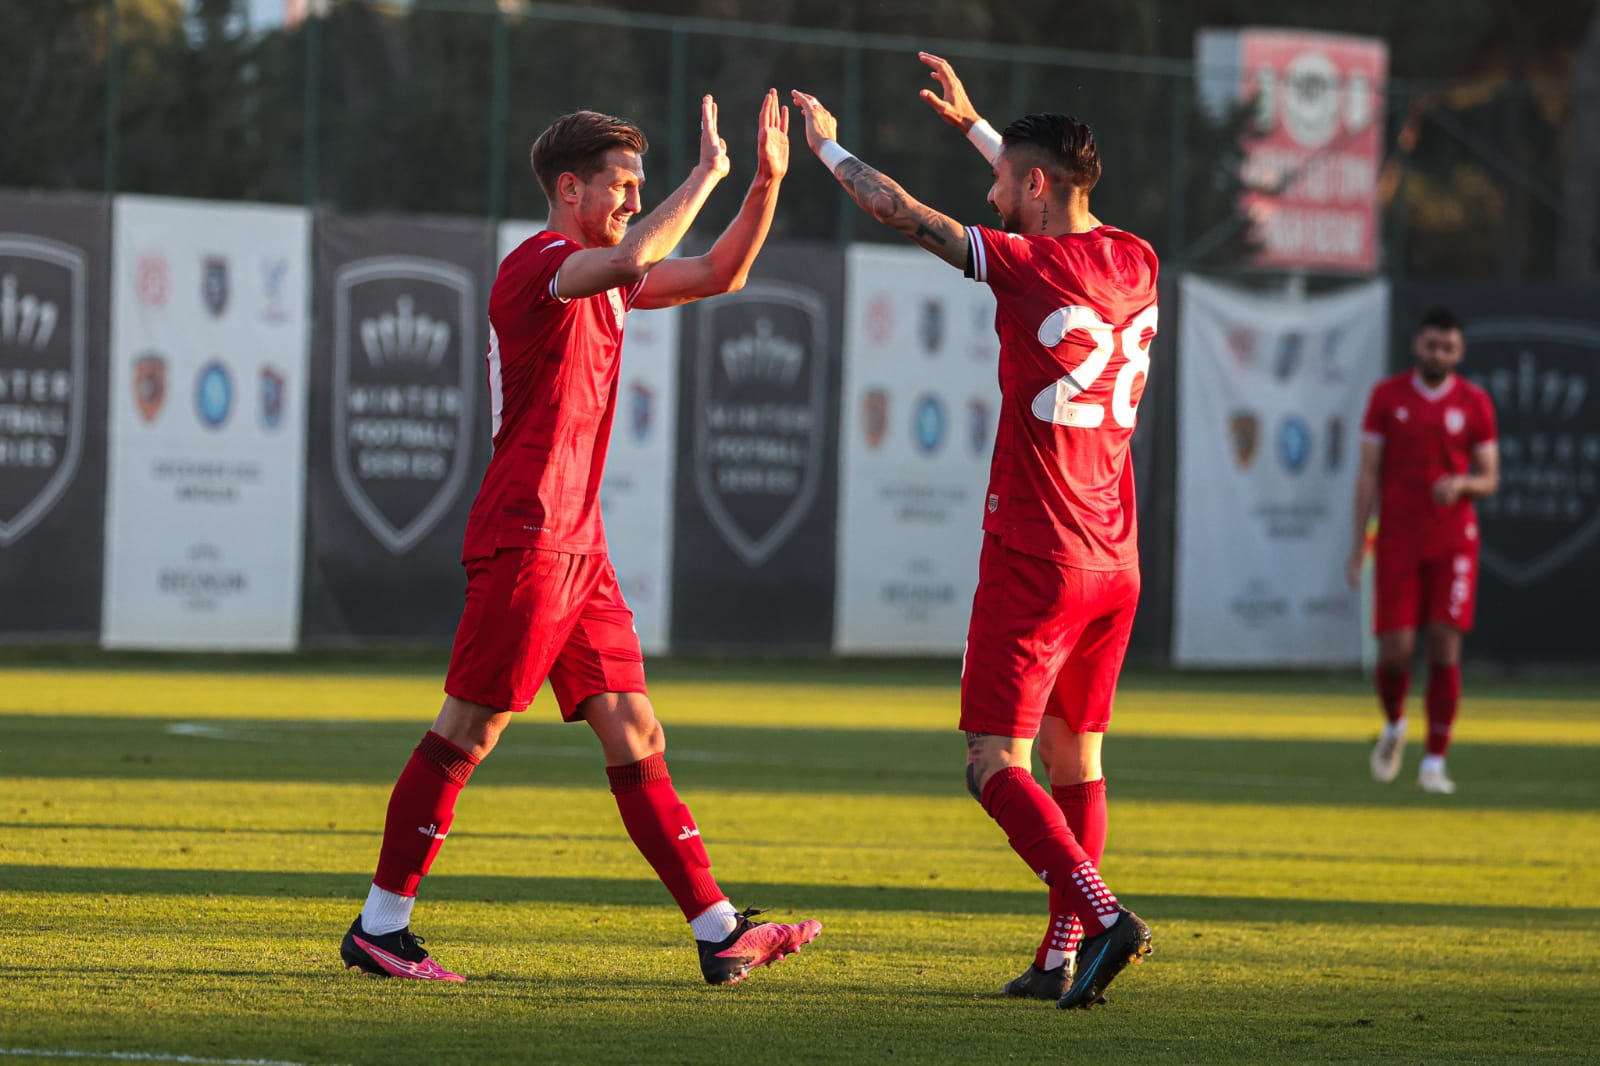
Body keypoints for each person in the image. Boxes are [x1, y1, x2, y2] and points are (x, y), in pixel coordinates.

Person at [339, 90, 821, 984]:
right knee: (467, 732)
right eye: (622, 183)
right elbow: (643, 250)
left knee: (635, 729)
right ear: (570, 190)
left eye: (640, 184)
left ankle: (718, 929)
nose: (635, 199)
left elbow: (719, 273)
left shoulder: (609, 272)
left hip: (578, 548)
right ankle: (381, 925)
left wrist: (763, 183)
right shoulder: (540, 265)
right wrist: (707, 172)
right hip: (527, 534)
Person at [789, 52, 1155, 1010]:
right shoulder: (1136, 258)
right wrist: (977, 128)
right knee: (1081, 761)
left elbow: (900, 212)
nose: (990, 195)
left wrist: (827, 147)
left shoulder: (1028, 265)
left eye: (1001, 179)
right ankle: (1060, 957)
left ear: (1037, 186)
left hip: (1039, 554)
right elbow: (1051, 192)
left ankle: (1104, 915)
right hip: (1116, 556)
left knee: (993, 761)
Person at [1346, 307, 1498, 795]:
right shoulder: (1387, 397)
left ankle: (1434, 762)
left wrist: (1463, 484)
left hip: (1454, 541)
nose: (1440, 354)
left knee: (1444, 643)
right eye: (1432, 345)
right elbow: (1368, 472)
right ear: (1417, 346)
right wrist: (1357, 543)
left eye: (1448, 347)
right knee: (1396, 652)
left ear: (1460, 352)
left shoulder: (1474, 403)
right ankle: (1394, 724)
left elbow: (1490, 478)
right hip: (1397, 538)